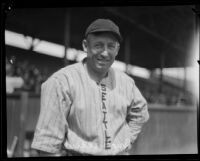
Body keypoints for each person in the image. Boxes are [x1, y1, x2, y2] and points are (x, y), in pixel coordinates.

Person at [31, 18, 149, 156]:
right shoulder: (61, 82)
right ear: (85, 46)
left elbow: (140, 112)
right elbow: (47, 146)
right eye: (98, 45)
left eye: (111, 46)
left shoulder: (127, 82)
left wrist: (126, 140)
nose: (105, 53)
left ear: (117, 49)